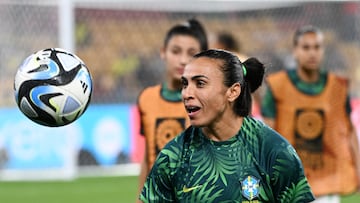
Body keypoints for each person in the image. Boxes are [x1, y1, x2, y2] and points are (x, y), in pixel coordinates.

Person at [139, 49, 315, 202]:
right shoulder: (172, 157)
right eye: (185, 84)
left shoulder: (275, 152)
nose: (186, 94)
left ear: (233, 92)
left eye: (200, 83)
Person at [261, 25, 360, 203]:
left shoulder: (336, 87)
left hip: (326, 180)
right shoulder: (279, 87)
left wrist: (358, 167)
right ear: (295, 51)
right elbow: (268, 133)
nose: (312, 53)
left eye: (317, 47)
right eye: (306, 47)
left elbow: (349, 130)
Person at [136, 18, 208, 200]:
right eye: (176, 51)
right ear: (163, 52)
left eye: (191, 53)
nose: (183, 60)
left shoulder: (208, 101)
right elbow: (148, 155)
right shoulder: (147, 98)